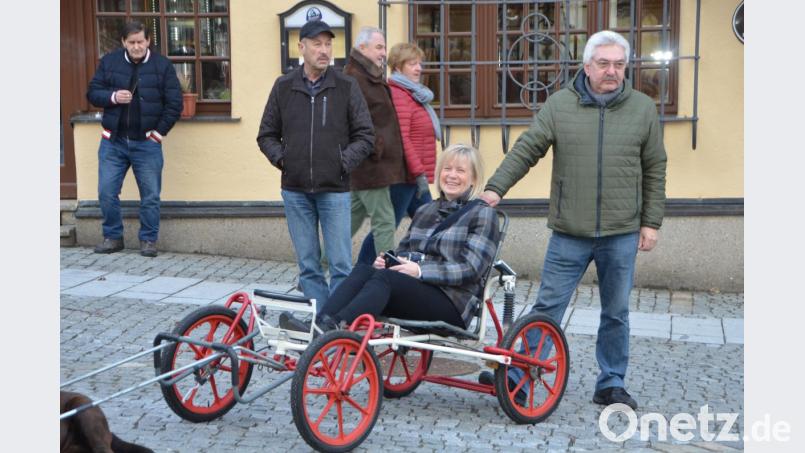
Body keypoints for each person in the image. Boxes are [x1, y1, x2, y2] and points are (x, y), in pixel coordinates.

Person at [478, 30, 667, 410]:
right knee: (547, 307)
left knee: (616, 313)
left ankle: (611, 383)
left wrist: (651, 222)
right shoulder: (560, 105)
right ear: (587, 66)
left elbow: (654, 167)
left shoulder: (642, 108)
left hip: (621, 231)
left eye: (619, 64)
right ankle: (519, 374)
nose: (612, 71)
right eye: (604, 63)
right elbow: (527, 148)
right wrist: (495, 189)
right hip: (570, 230)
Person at [281, 144, 500, 333]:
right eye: (447, 169)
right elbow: (404, 251)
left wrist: (420, 270)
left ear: (474, 179)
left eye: (460, 171)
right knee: (365, 270)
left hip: (452, 303)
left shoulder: (483, 214)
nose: (451, 175)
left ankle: (335, 329)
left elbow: (470, 269)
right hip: (418, 291)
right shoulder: (426, 210)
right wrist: (390, 260)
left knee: (386, 279)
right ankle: (320, 324)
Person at [257, 19, 374, 309]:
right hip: (295, 190)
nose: (324, 50)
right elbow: (266, 135)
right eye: (317, 44)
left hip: (335, 190)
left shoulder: (346, 86)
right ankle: (320, 322)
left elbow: (365, 135)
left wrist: (341, 163)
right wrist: (285, 160)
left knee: (340, 265)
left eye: (328, 44)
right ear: (302, 47)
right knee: (308, 266)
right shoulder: (284, 86)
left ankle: (336, 323)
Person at [87, 21, 183, 257]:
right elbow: (92, 93)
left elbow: (174, 104)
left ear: (148, 41)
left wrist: (158, 134)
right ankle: (113, 237)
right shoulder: (110, 62)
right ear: (123, 42)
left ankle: (148, 240)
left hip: (147, 143)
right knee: (106, 192)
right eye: (131, 42)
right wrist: (113, 97)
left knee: (150, 196)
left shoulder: (162, 65)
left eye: (141, 41)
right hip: (113, 141)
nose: (137, 46)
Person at [356, 42, 439, 264]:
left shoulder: (412, 94)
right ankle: (363, 271)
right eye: (412, 64)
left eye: (420, 63)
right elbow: (402, 139)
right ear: (398, 67)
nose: (419, 68)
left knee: (430, 225)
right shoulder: (398, 95)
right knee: (388, 227)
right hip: (403, 176)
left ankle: (424, 269)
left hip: (411, 176)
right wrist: (419, 173)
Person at [343, 27, 407, 265]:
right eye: (379, 47)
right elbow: (351, 121)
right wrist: (376, 147)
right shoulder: (354, 77)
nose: (383, 53)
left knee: (347, 224)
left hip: (371, 165)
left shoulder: (368, 75)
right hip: (371, 165)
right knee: (384, 221)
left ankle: (316, 268)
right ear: (362, 48)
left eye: (384, 47)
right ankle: (387, 271)